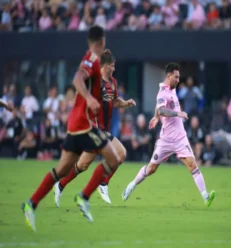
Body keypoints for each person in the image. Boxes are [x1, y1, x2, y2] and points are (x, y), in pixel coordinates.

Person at [21, 26, 121, 232]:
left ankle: (31, 204)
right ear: (101, 42)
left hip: (75, 126)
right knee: (115, 159)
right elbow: (77, 80)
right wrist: (90, 98)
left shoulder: (89, 58)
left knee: (62, 170)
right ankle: (83, 197)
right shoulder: (92, 60)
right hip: (85, 125)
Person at [122, 63, 216, 207]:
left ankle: (205, 197)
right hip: (165, 140)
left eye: (179, 77)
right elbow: (162, 109)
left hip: (180, 138)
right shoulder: (163, 93)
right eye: (176, 77)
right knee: (151, 169)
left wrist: (155, 117)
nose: (178, 80)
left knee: (193, 165)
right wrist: (175, 113)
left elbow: (158, 108)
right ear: (169, 76)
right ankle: (131, 185)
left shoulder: (172, 90)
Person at [53, 49, 136, 207]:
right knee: (91, 163)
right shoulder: (95, 82)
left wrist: (127, 103)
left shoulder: (113, 82)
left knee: (110, 157)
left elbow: (115, 101)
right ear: (105, 66)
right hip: (94, 132)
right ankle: (69, 184)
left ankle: (70, 184)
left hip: (104, 131)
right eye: (112, 65)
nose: (114, 68)